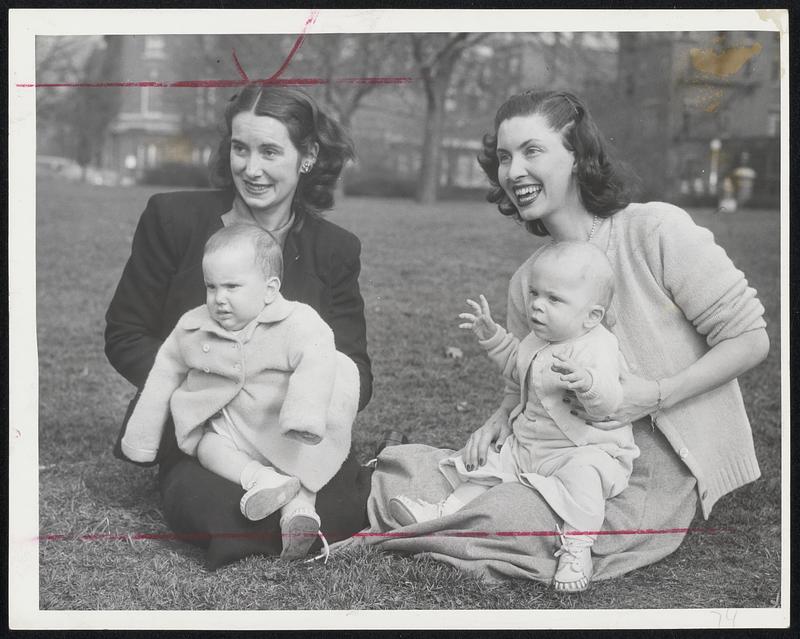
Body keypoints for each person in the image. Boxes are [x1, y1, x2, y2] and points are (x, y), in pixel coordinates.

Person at [364, 89, 769, 584]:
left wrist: (655, 394)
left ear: (577, 156)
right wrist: (499, 417)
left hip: (650, 465)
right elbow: (527, 378)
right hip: (551, 452)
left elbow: (751, 339)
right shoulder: (527, 282)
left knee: (513, 513)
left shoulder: (654, 230)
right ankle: (434, 510)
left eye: (533, 151)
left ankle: (454, 522)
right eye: (504, 157)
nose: (513, 172)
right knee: (434, 471)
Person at [105, 84, 373, 570]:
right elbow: (126, 333)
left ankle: (293, 511)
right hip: (205, 427)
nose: (251, 168)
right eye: (240, 148)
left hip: (288, 431)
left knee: (344, 506)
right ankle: (275, 519)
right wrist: (207, 382)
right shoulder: (173, 218)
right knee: (209, 505)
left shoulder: (335, 249)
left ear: (307, 155)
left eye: (270, 151)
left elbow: (355, 365)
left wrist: (291, 400)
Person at [390, 241, 638, 591]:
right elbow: (515, 364)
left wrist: (588, 383)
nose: (536, 304)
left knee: (584, 480)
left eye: (554, 299)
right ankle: (444, 511)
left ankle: (577, 547)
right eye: (535, 293)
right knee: (487, 468)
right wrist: (493, 336)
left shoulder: (598, 346)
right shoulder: (536, 341)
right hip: (530, 444)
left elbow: (611, 402)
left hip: (582, 448)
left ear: (592, 316)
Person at [119, 225, 360, 561]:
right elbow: (163, 374)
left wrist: (303, 416)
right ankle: (261, 480)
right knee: (207, 445)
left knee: (304, 459)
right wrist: (142, 439)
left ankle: (300, 511)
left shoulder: (298, 322)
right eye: (211, 286)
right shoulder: (193, 325)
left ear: (270, 289)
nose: (219, 299)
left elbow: (319, 361)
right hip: (230, 424)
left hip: (280, 423)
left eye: (232, 287)